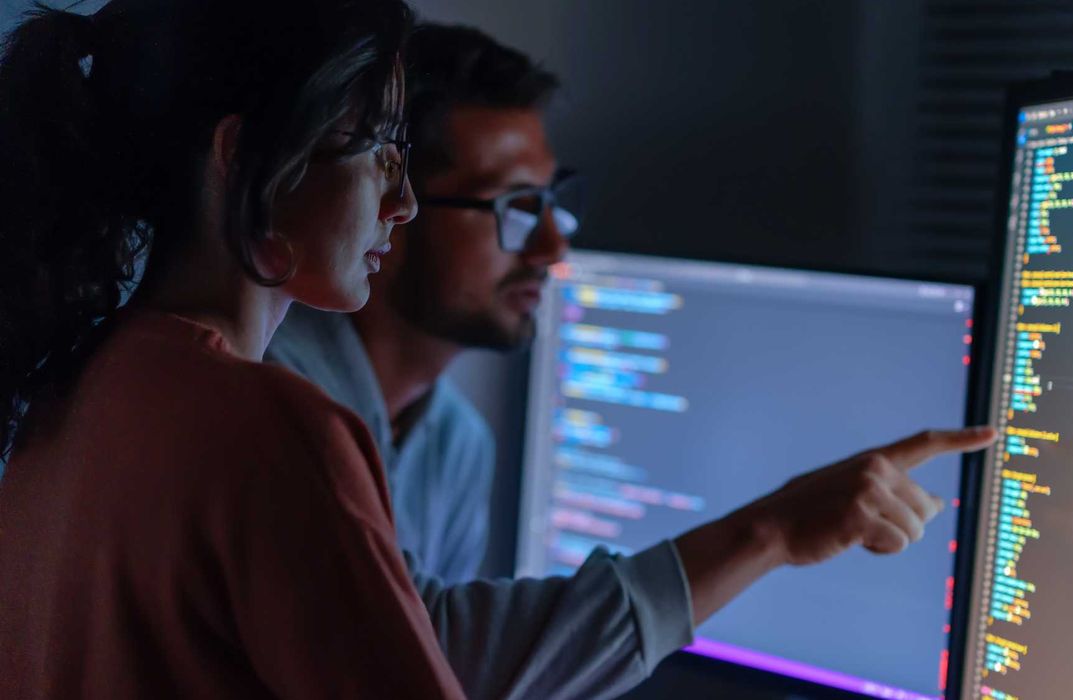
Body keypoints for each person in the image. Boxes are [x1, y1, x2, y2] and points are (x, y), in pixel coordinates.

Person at [267, 24, 997, 700]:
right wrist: (771, 531)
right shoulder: (278, 403)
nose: (554, 246)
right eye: (516, 204)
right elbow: (421, 658)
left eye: (557, 200)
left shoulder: (454, 442)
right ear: (394, 204)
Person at [0, 1, 466, 697]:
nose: (403, 202)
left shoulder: (61, 395)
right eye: (380, 150)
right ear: (245, 156)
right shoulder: (276, 431)